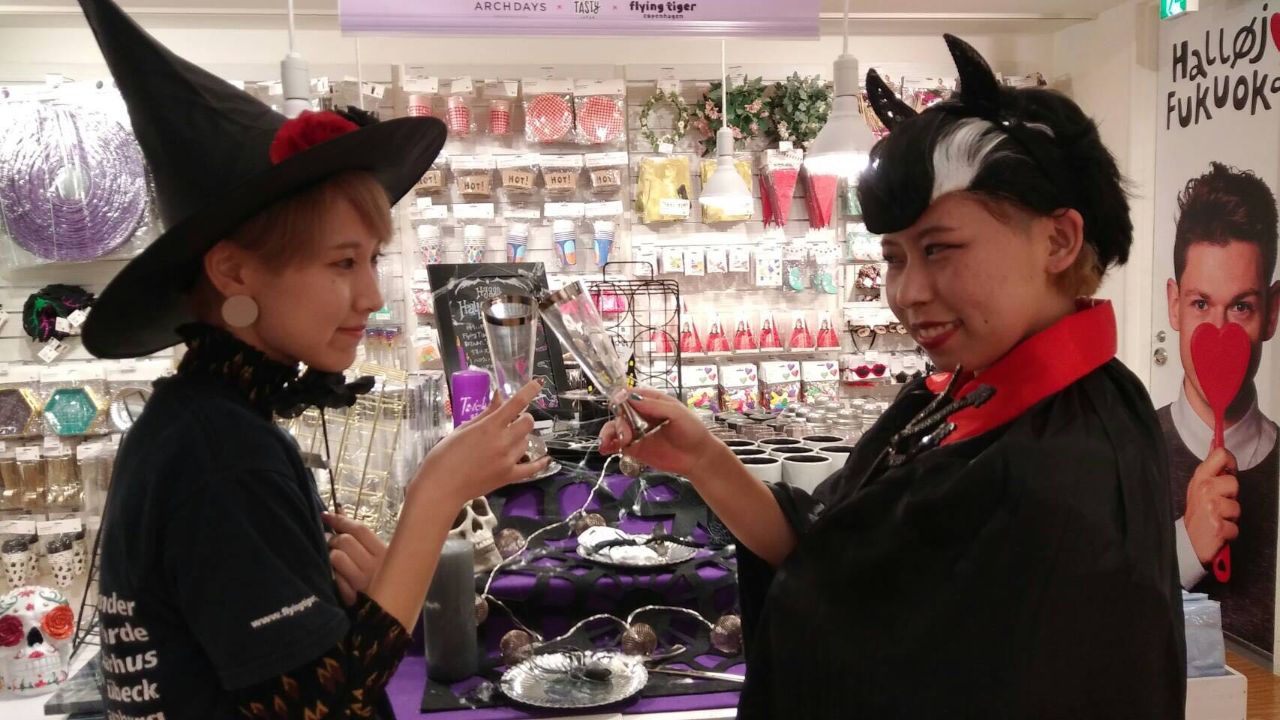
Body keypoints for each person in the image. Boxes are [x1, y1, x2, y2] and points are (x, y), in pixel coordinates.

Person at [601, 35, 1185, 719]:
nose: (906, 294)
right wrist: (701, 457)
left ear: (1057, 240)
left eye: (940, 250)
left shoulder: (1062, 471)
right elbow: (827, 551)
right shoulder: (958, 392)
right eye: (896, 258)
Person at [77, 1, 549, 717]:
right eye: (342, 262)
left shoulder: (205, 422)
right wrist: (436, 494)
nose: (371, 296)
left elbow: (299, 678)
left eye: (372, 259)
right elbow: (328, 707)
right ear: (234, 272)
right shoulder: (221, 451)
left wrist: (361, 599)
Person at [1162, 162, 1280, 651]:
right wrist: (1184, 546)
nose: (1220, 332)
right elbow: (1085, 622)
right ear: (1174, 305)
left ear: (1272, 313)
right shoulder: (1119, 453)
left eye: (1241, 307)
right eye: (1200, 304)